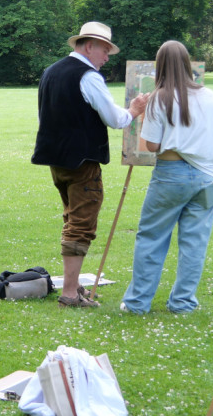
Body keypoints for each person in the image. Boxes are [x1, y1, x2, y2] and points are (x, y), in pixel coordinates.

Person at [31, 22, 147, 308]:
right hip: (82, 161)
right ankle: (70, 293)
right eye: (105, 50)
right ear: (89, 45)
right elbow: (115, 119)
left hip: (57, 161)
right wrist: (134, 110)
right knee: (81, 225)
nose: (107, 57)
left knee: (73, 220)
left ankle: (72, 286)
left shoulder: (51, 71)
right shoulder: (88, 76)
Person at [120, 41, 213, 315]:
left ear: (160, 66)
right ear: (188, 64)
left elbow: (152, 145)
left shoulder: (160, 97)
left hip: (171, 174)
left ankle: (137, 303)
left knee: (152, 237)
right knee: (194, 243)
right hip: (206, 177)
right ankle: (183, 303)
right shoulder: (211, 96)